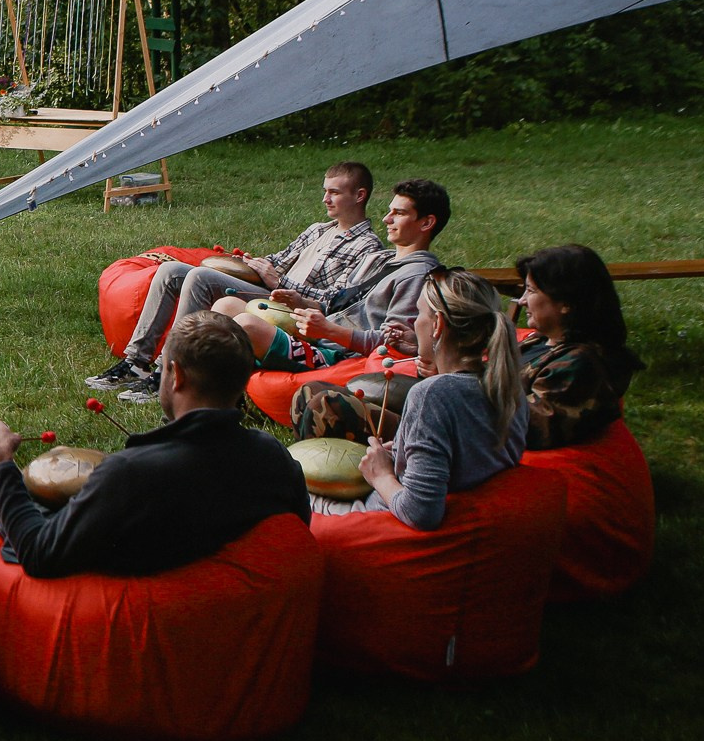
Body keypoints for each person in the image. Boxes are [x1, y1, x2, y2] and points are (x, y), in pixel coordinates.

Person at [0, 313, 309, 577]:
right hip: (192, 562)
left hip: (97, 574)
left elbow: (41, 552)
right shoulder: (272, 456)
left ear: (176, 374)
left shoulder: (132, 473)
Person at [88, 161, 389, 399]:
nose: (325, 198)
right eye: (325, 191)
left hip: (292, 311)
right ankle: (137, 362)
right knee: (171, 271)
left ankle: (168, 370)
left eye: (334, 192)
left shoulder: (367, 247)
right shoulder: (318, 230)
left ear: (359, 195)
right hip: (271, 293)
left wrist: (279, 280)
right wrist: (254, 264)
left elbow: (334, 304)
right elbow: (279, 259)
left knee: (201, 278)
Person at [314, 269, 528, 528]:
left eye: (418, 315)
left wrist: (380, 474)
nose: (415, 324)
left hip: (380, 518)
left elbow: (420, 512)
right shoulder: (507, 385)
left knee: (292, 486)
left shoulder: (433, 394)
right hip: (477, 522)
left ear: (437, 325)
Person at [211, 179, 450, 375]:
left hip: (337, 356)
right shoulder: (380, 259)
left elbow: (393, 344)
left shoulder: (418, 276)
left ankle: (219, 394)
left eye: (398, 213)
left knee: (246, 325)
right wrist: (302, 303)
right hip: (321, 336)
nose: (386, 219)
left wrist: (328, 331)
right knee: (226, 305)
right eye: (390, 211)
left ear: (427, 223)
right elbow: (340, 301)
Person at [515, 244, 644, 450]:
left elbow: (537, 427)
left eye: (531, 291)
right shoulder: (540, 340)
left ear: (565, 303)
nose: (521, 301)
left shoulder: (581, 366)